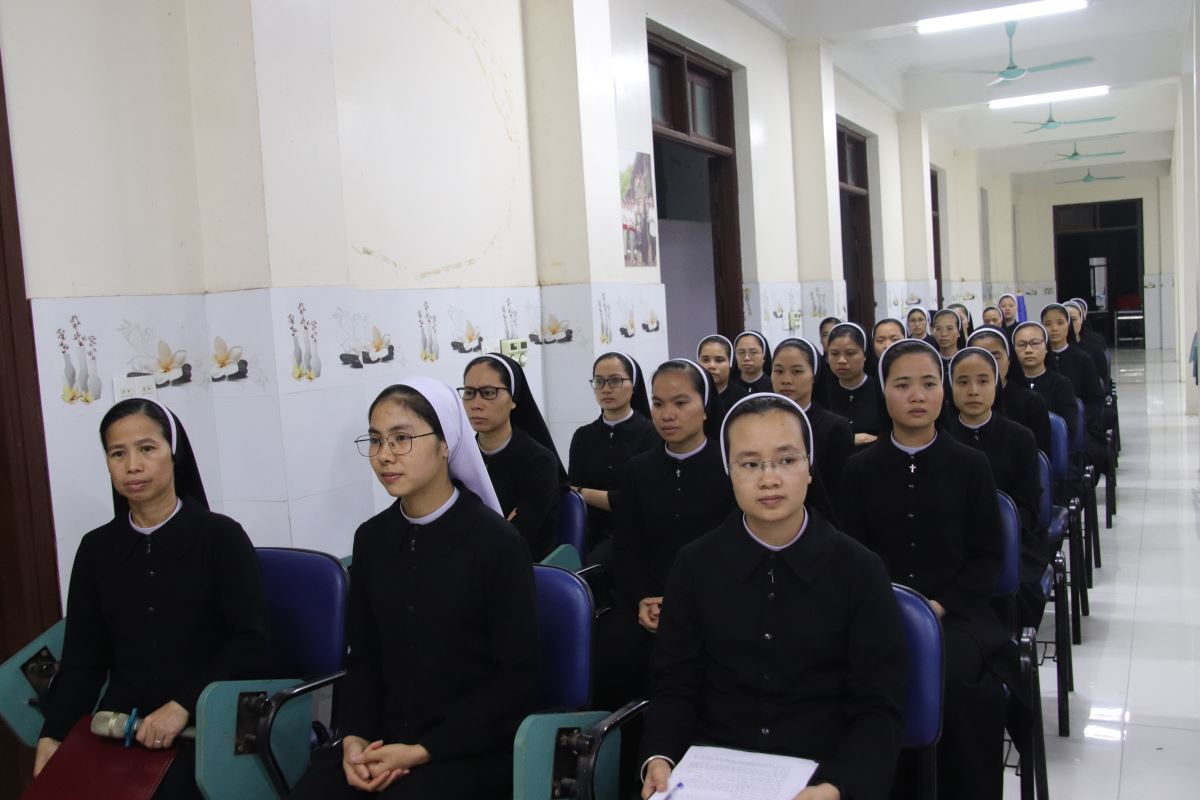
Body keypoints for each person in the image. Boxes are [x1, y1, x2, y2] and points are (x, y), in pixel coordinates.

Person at [639, 394, 908, 800]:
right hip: (714, 771)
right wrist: (659, 757)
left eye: (786, 460)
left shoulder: (860, 570)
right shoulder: (694, 565)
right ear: (728, 471)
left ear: (810, 468)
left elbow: (879, 706)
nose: (769, 479)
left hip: (824, 772)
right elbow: (675, 685)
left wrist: (836, 786)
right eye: (750, 464)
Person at [289, 380, 537, 799]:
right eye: (375, 440)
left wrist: (422, 751)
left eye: (401, 439)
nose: (384, 455)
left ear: (445, 445)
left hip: (468, 748)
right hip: (382, 740)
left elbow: (515, 682)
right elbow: (363, 658)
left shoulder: (496, 543)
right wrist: (354, 738)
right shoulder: (371, 538)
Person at [35, 399, 268, 800]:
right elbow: (83, 661)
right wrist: (53, 735)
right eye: (118, 453)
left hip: (208, 723)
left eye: (147, 448)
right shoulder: (96, 550)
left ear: (173, 454)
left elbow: (252, 642)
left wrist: (183, 705)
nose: (133, 465)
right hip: (122, 725)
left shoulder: (221, 538)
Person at [839, 339, 1009, 800]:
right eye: (902, 385)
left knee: (956, 684)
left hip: (958, 613)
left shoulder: (971, 465)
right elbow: (852, 554)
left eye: (929, 384)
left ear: (943, 391)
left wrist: (941, 604)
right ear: (884, 392)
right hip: (877, 612)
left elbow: (986, 557)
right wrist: (882, 606)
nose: (917, 395)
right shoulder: (859, 469)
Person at [598, 360, 735, 708]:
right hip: (650, 599)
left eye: (680, 402)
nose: (667, 414)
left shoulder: (730, 468)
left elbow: (733, 549)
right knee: (614, 652)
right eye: (658, 404)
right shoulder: (638, 470)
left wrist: (688, 604)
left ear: (705, 407)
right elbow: (627, 546)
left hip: (715, 600)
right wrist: (644, 598)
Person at [946, 347, 1046, 627]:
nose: (973, 391)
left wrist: (996, 535)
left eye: (983, 381)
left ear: (997, 384)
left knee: (1015, 590)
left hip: (1012, 541)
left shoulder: (1020, 438)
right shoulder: (942, 436)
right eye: (962, 382)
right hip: (951, 545)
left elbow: (1028, 506)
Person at [461, 353, 565, 560]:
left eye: (488, 393)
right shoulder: (459, 457)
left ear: (513, 399)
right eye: (469, 393)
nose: (476, 404)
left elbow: (515, 537)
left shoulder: (539, 461)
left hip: (525, 565)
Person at [568, 352, 660, 562]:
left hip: (640, 536)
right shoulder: (583, 436)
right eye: (599, 381)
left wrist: (582, 492)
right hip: (590, 535)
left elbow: (638, 501)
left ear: (633, 384)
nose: (606, 389)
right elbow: (573, 496)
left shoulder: (652, 435)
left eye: (615, 381)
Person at [772, 338, 853, 499]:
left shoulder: (834, 427)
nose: (786, 380)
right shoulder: (758, 424)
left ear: (814, 374)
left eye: (797, 371)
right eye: (779, 371)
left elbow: (840, 491)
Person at [1041, 304, 1106, 467]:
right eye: (1047, 324)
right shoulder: (1038, 361)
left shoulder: (1083, 358)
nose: (1054, 329)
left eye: (1060, 323)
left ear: (1068, 325)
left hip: (1080, 426)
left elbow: (1095, 400)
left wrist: (1078, 423)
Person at [969, 328, 1051, 455]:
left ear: (1009, 359)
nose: (989, 364)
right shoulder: (962, 403)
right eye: (980, 357)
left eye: (995, 356)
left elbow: (1040, 458)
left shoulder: (1032, 402)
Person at [1011, 321, 1079, 440]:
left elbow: (1068, 428)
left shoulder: (1062, 384)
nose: (1028, 350)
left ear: (1046, 348)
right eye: (1021, 344)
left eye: (1035, 343)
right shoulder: (1009, 386)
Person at [824, 323, 885, 451]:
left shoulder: (881, 392)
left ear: (865, 355)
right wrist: (850, 439)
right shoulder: (822, 395)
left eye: (850, 353)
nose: (841, 360)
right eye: (834, 354)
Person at [1065, 299, 1111, 391]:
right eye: (1066, 320)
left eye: (1073, 320)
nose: (1070, 325)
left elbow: (1102, 384)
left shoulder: (1095, 349)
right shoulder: (1049, 351)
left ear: (1082, 320)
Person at [697, 334, 745, 414]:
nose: (711, 366)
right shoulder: (689, 396)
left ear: (730, 364)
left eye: (719, 360)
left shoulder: (743, 400)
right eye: (705, 360)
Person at [931, 308, 966, 383]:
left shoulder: (966, 360)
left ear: (959, 332)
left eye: (949, 329)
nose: (943, 334)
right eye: (938, 329)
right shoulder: (930, 361)